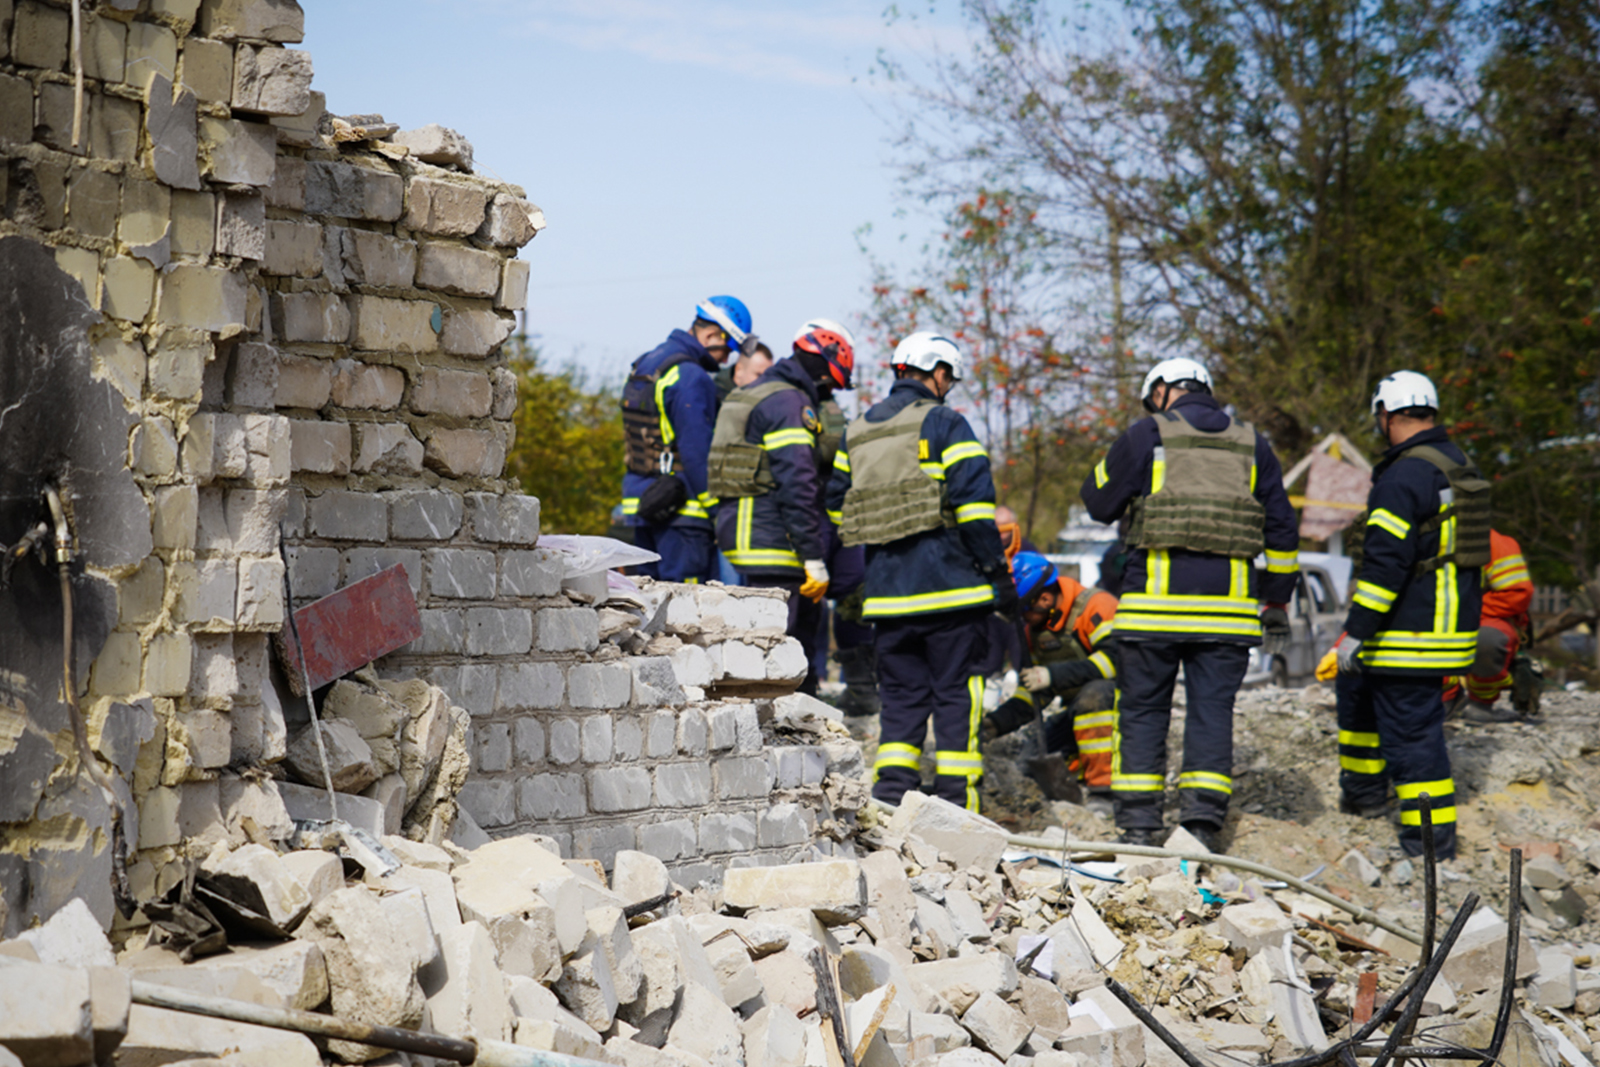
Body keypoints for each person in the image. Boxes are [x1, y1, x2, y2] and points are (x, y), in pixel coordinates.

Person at [1080, 357, 1298, 849]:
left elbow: (1096, 503)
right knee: (1211, 714)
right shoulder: (1252, 444)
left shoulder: (1145, 435)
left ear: (1160, 391)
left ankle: (1139, 826)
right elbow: (1282, 530)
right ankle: (1199, 826)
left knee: (1141, 712)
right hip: (1227, 615)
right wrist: (1277, 602)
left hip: (1152, 612)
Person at [827, 331, 1015, 811]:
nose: (948, 386)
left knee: (902, 703)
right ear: (936, 372)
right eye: (947, 377)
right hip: (952, 596)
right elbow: (975, 512)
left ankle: (889, 803)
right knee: (955, 699)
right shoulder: (945, 422)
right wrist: (997, 575)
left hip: (888, 601)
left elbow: (835, 507)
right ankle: (955, 809)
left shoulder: (858, 430)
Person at [1333, 371, 1488, 860]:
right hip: (1448, 625)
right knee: (1355, 690)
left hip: (1411, 632)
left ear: (1386, 415)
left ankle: (1429, 848)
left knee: (1413, 741)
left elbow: (1385, 565)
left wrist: (1355, 632)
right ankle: (1362, 797)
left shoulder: (1403, 477)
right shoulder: (1455, 465)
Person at [708, 319, 855, 694]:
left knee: (762, 639)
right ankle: (773, 727)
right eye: (829, 385)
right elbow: (798, 483)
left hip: (739, 530)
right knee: (777, 646)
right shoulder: (790, 402)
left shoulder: (755, 392)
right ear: (826, 362)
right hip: (770, 538)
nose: (826, 395)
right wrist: (813, 557)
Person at [620, 296, 752, 583]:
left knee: (646, 600)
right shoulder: (691, 376)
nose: (727, 359)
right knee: (685, 610)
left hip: (640, 505)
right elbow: (696, 453)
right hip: (682, 515)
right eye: (728, 348)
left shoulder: (647, 363)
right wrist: (718, 512)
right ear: (710, 334)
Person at [981, 552, 1119, 813]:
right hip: (1076, 712)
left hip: (1121, 709)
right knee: (1026, 762)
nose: (1023, 620)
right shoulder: (1034, 629)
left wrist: (1052, 676)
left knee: (1094, 696)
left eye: (1024, 612)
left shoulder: (1097, 606)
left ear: (1043, 599)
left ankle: (1104, 793)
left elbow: (1116, 661)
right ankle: (1081, 773)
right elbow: (1034, 693)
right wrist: (996, 723)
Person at [1443, 529, 1536, 723]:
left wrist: (1464, 613)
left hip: (1483, 616)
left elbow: (1516, 594)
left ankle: (1481, 703)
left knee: (1487, 640)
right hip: (1432, 616)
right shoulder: (1418, 536)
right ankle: (1445, 698)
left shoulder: (1493, 542)